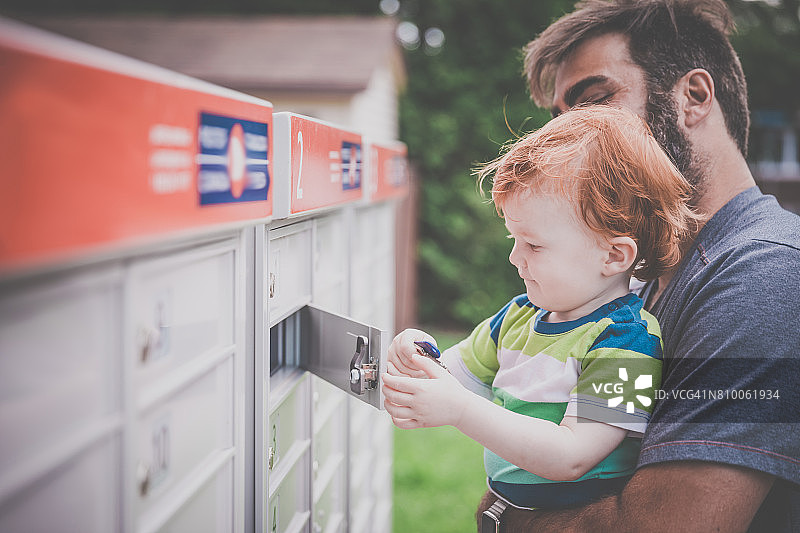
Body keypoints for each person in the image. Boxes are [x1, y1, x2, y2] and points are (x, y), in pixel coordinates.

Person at [393, 0, 800, 531]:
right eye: (562, 120)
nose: (572, 136)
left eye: (595, 102)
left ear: (694, 97)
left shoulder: (764, 276)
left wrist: (503, 515)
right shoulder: (633, 278)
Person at [382, 105, 702, 512]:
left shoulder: (629, 343)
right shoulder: (517, 318)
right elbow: (448, 378)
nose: (515, 257)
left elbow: (572, 456)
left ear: (613, 256)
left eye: (533, 244)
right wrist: (418, 355)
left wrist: (460, 410)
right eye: (513, 239)